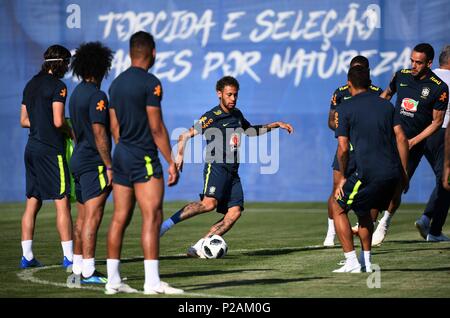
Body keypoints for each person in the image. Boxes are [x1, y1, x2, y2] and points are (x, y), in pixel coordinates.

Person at [159, 75, 294, 258]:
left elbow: (251, 131)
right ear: (219, 94)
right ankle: (164, 226)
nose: (232, 99)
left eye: (235, 95)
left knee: (234, 212)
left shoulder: (237, 114)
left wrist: (275, 125)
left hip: (233, 171)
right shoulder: (211, 116)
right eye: (229, 95)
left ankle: (200, 246)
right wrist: (180, 155)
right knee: (208, 204)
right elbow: (184, 135)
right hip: (216, 166)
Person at [105, 31, 182, 295]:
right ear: (153, 53)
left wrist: (122, 150)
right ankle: (151, 283)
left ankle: (112, 281)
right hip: (144, 157)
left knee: (119, 218)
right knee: (152, 217)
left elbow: (114, 128)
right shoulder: (151, 83)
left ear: (130, 53)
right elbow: (156, 127)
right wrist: (172, 160)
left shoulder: (115, 85)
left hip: (122, 155)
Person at [331, 65, 409, 272]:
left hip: (366, 171)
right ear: (369, 83)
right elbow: (401, 138)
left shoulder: (345, 108)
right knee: (364, 211)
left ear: (349, 84)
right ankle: (365, 261)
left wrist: (342, 177)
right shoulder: (385, 105)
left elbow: (342, 148)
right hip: (391, 172)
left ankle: (351, 261)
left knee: (337, 206)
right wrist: (404, 173)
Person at [373, 43, 449, 245]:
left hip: (414, 144)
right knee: (376, 179)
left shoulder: (439, 88)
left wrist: (414, 141)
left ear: (429, 63)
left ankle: (384, 223)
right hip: (390, 137)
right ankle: (368, 221)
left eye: (419, 62)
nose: (414, 65)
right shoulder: (401, 76)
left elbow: (437, 122)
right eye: (412, 60)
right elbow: (386, 97)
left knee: (399, 184)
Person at [20, 45, 74, 269]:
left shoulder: (31, 84)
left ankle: (27, 256)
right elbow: (59, 121)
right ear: (61, 63)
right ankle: (70, 258)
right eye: (67, 63)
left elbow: (24, 120)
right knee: (62, 202)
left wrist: (41, 122)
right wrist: (72, 133)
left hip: (31, 149)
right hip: (51, 151)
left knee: (32, 203)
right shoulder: (58, 86)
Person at [68, 42, 114, 284]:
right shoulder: (98, 95)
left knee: (82, 216)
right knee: (93, 218)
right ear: (100, 67)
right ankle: (88, 271)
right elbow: (99, 132)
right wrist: (109, 165)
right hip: (94, 163)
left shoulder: (75, 94)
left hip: (77, 159)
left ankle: (77, 267)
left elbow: (76, 131)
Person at [324, 55, 382, 247]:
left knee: (371, 192)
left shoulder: (377, 93)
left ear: (367, 72)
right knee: (336, 189)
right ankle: (331, 232)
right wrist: (345, 129)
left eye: (360, 68)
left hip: (369, 151)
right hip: (346, 147)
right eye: (353, 68)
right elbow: (332, 121)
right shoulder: (340, 93)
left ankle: (365, 229)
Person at [415, 45, 450, 241]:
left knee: (442, 179)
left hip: (421, 132)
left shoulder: (427, 76)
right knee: (446, 180)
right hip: (443, 132)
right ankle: (434, 230)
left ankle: (427, 218)